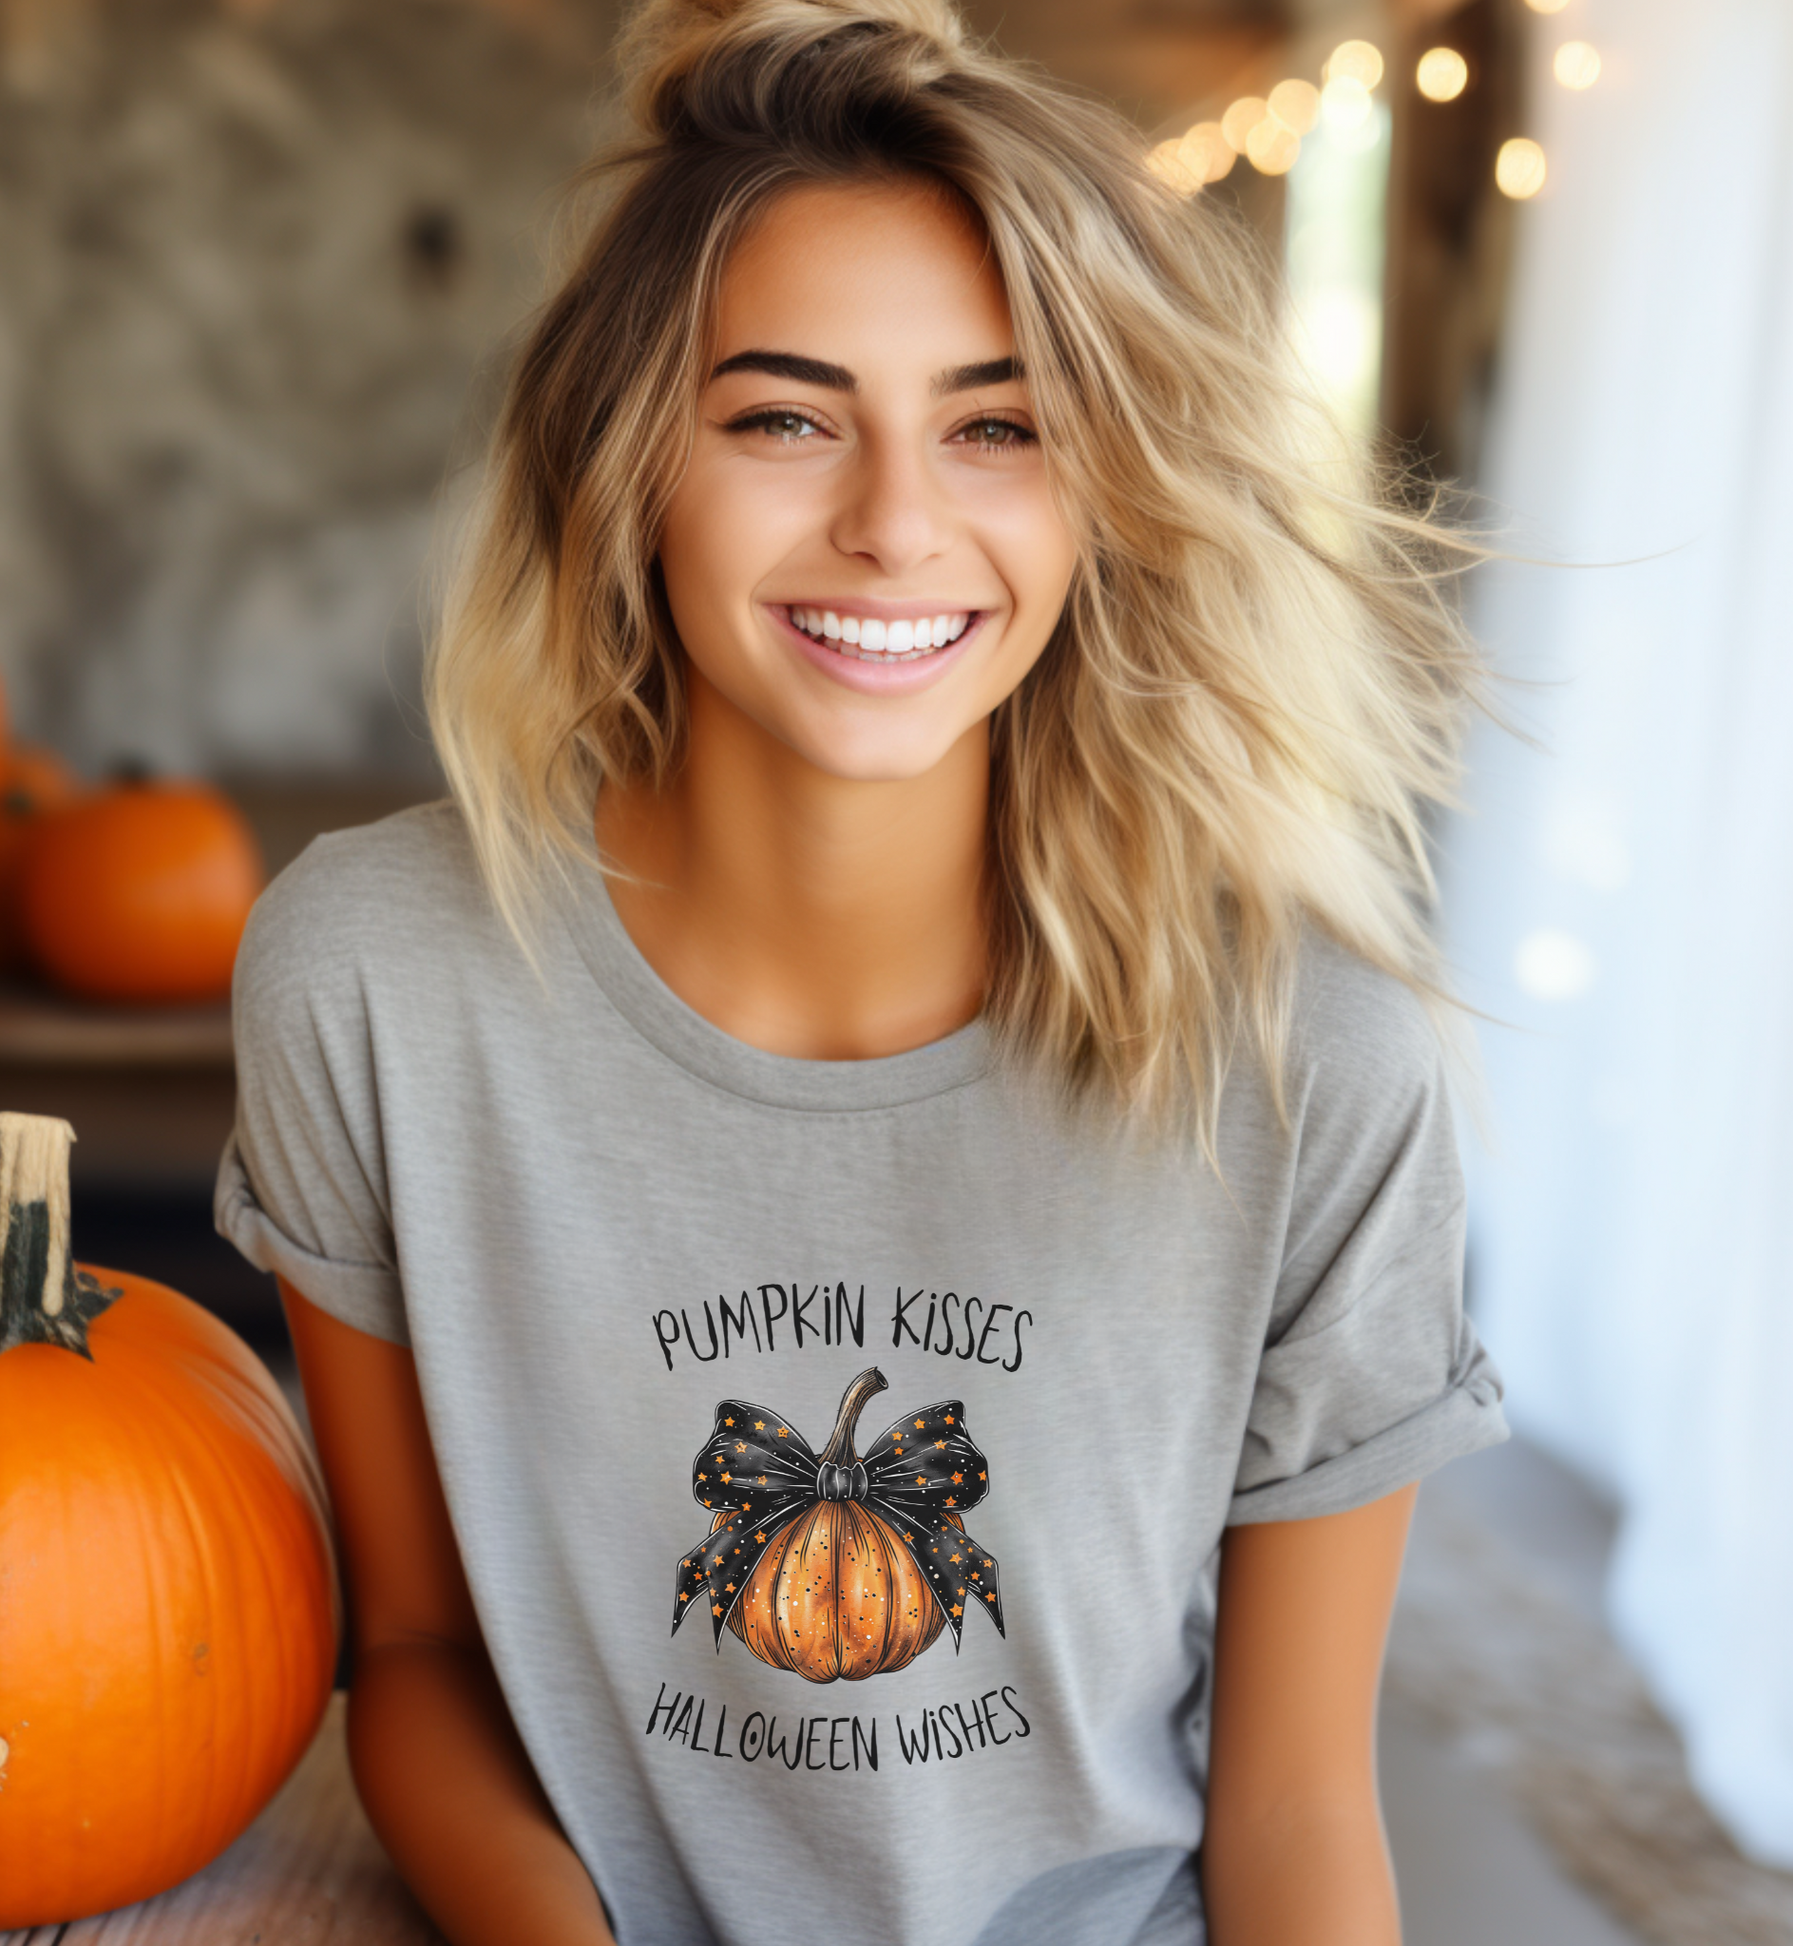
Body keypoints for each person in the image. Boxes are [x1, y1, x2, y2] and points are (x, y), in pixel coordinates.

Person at [214, 2, 1508, 1941]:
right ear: (621, 462)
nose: (896, 524)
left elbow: (1301, 1805)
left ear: (1101, 491)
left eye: (996, 425)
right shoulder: (376, 980)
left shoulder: (1312, 1061)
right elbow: (413, 1652)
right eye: (784, 417)